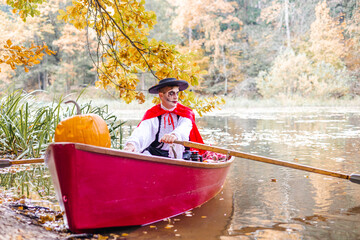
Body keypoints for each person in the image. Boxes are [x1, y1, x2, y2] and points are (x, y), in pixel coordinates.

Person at [124, 78, 204, 159]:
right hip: (156, 155)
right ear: (161, 95)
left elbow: (184, 127)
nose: (176, 97)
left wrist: (174, 135)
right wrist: (132, 144)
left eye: (177, 93)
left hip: (181, 156)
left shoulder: (185, 112)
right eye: (171, 93)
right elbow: (143, 131)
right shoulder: (153, 113)